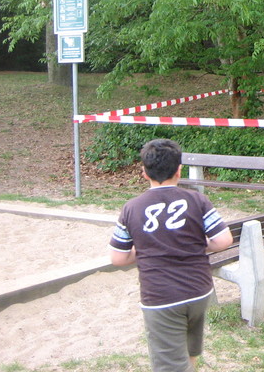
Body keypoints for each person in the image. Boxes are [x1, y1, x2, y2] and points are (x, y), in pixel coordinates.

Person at [109, 139, 233, 372]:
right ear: (179, 170)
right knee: (189, 351)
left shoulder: (131, 208)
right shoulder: (197, 200)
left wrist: (150, 247)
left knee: (170, 366)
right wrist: (191, 243)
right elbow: (223, 240)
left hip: (162, 297)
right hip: (199, 291)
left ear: (144, 172)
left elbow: (118, 258)